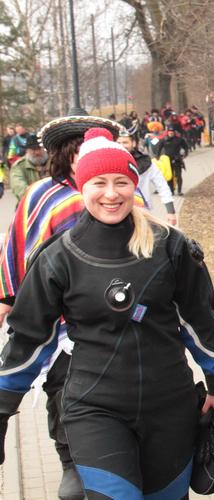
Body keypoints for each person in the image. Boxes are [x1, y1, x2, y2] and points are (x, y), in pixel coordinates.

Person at [0, 127, 214, 499]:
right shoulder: (57, 257)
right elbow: (29, 340)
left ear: (134, 184)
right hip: (94, 410)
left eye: (121, 182)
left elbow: (200, 322)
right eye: (99, 182)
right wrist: (2, 409)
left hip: (170, 409)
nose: (111, 193)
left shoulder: (170, 247)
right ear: (82, 186)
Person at [0, 113, 145, 500]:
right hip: (61, 325)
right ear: (67, 154)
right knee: (64, 392)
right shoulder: (42, 195)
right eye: (84, 149)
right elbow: (18, 243)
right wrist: (9, 297)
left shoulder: (127, 196)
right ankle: (71, 461)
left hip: (126, 321)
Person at [116, 127, 178, 225]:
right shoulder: (108, 162)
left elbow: (162, 185)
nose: (121, 146)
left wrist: (171, 211)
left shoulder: (146, 163)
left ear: (133, 143)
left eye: (125, 142)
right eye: (118, 143)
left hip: (142, 212)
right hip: (116, 212)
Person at [9, 133, 48, 200]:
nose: (37, 152)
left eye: (39, 148)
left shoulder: (54, 162)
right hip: (30, 202)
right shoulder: (19, 166)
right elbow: (19, 188)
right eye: (33, 149)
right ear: (27, 150)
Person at [155, 125, 189, 195]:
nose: (171, 133)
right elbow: (159, 148)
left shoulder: (179, 139)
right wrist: (157, 156)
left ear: (174, 132)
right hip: (167, 160)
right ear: (167, 132)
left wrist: (185, 154)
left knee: (178, 175)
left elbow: (186, 146)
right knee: (169, 176)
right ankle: (171, 191)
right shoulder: (164, 140)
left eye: (172, 132)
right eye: (170, 131)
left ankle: (179, 191)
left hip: (177, 160)